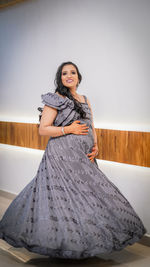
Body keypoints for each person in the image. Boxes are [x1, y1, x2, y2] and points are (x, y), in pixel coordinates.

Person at [0, 61, 147, 260]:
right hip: (60, 156)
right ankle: (63, 245)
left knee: (88, 196)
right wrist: (68, 129)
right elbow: (43, 129)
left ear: (78, 77)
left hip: (83, 156)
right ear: (60, 78)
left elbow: (91, 125)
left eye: (73, 72)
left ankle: (85, 241)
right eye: (64, 73)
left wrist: (95, 145)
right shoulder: (56, 99)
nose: (69, 76)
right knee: (63, 200)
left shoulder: (85, 98)